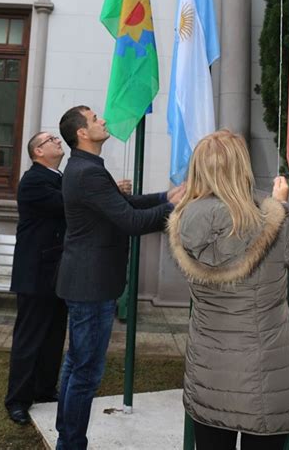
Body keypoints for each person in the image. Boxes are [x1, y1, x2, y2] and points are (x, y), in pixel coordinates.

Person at [168, 129, 289, 450]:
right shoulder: (270, 217)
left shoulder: (183, 218)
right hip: (264, 372)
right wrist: (284, 208)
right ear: (242, 166)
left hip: (209, 371)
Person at [55, 105, 184, 450]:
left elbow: (123, 203)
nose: (103, 120)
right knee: (86, 373)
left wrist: (164, 197)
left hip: (85, 281)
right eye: (95, 118)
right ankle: (71, 444)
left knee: (75, 363)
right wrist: (177, 206)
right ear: (82, 132)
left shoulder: (86, 168)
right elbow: (131, 221)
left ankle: (66, 436)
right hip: (91, 284)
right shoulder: (87, 172)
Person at [5, 131, 67, 425]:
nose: (57, 140)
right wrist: (105, 191)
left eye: (56, 137)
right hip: (35, 273)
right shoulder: (33, 181)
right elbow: (70, 203)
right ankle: (17, 399)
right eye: (50, 139)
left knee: (54, 335)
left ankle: (45, 390)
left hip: (58, 273)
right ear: (37, 152)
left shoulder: (58, 177)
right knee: (29, 338)